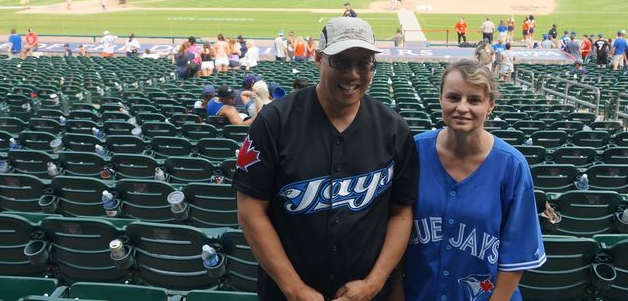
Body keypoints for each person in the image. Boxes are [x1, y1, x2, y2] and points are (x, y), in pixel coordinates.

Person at [233, 17, 418, 301]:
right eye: (341, 62)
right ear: (318, 59)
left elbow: (402, 213)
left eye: (364, 63)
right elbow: (250, 210)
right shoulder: (274, 122)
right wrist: (294, 289)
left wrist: (373, 283)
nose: (353, 74)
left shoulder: (394, 128)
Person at [397, 60, 545, 301]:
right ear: (441, 99)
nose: (462, 107)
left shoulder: (512, 165)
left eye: (474, 100)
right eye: (453, 97)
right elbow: (395, 231)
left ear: (490, 105)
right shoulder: (414, 151)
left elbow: (516, 254)